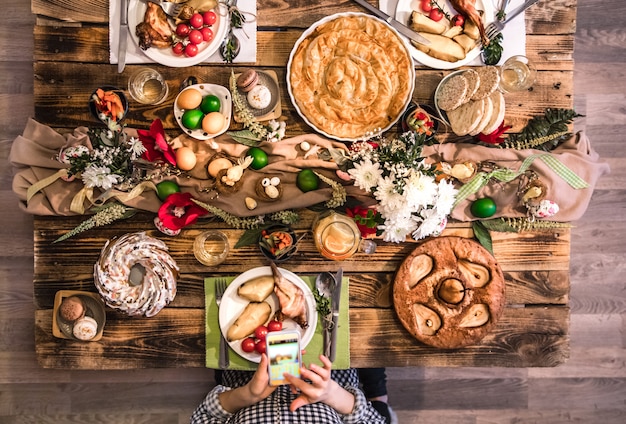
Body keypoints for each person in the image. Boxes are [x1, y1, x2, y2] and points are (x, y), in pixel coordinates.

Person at [191, 354, 387, 423]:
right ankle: (378, 392)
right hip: (333, 376)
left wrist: (247, 395)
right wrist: (331, 393)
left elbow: (205, 417)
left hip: (244, 374)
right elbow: (373, 419)